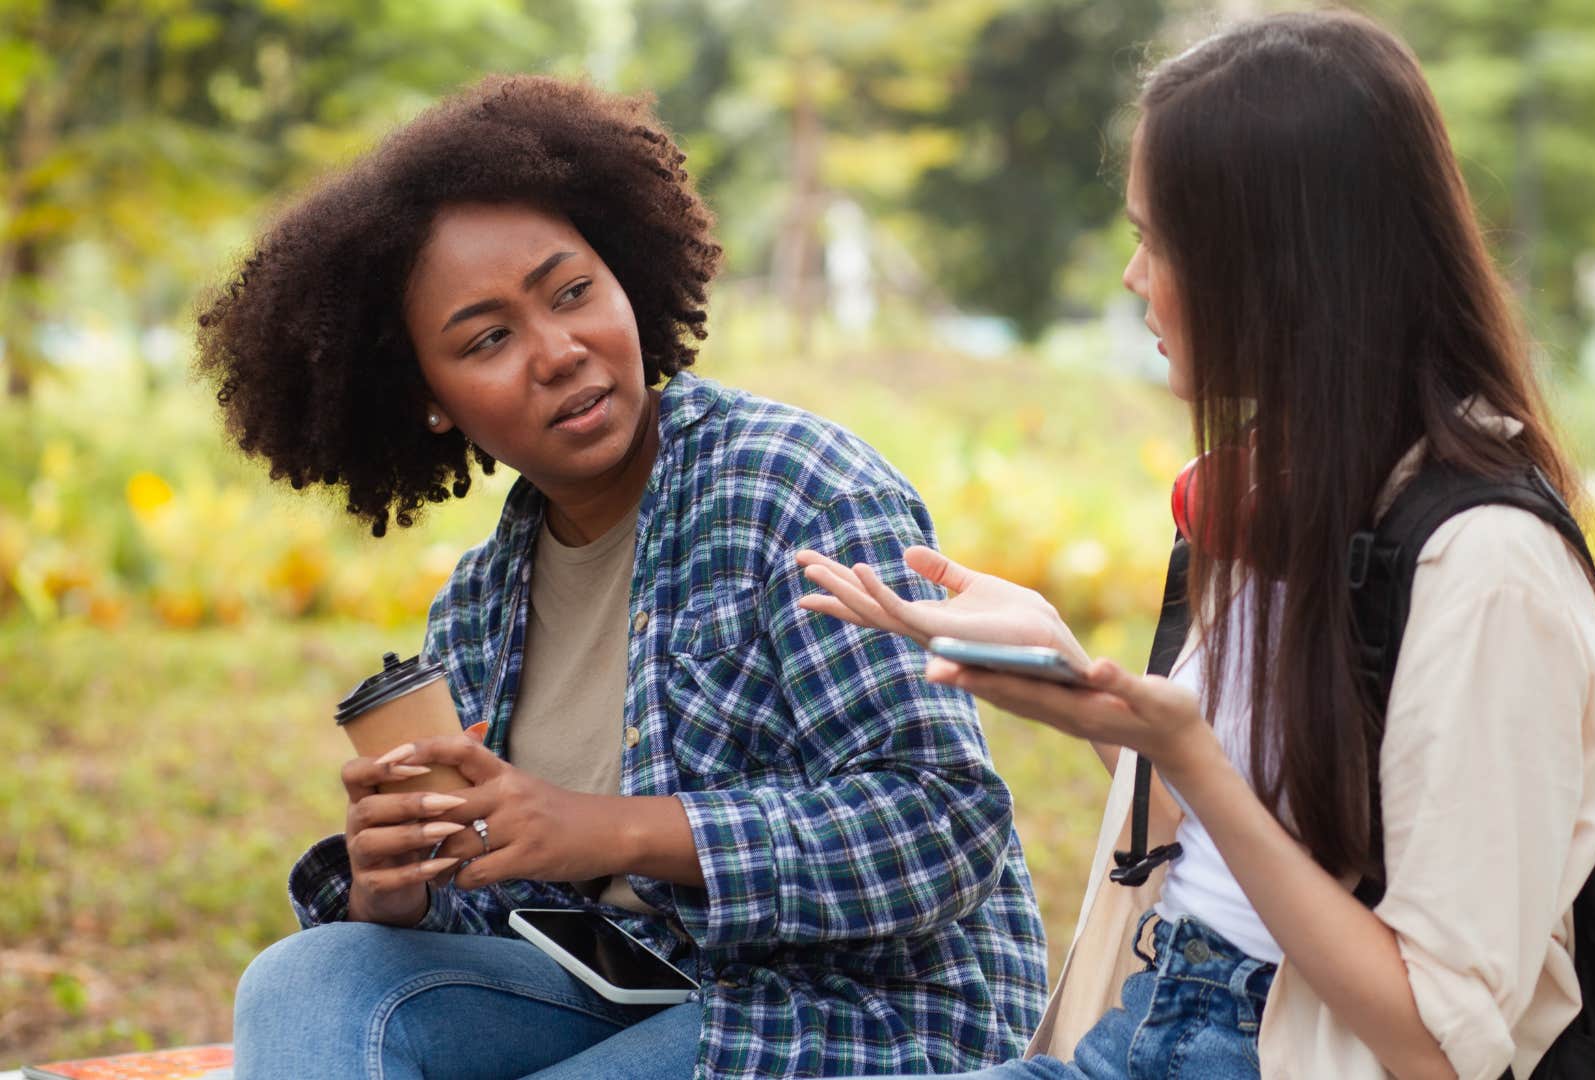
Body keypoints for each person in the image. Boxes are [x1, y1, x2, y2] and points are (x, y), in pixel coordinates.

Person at [796, 11, 1595, 1080]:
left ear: (1278, 269)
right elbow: (1251, 846)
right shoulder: (1291, 497)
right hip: (1153, 1013)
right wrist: (1075, 676)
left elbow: (1437, 1042)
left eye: (1159, 239)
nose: (1136, 277)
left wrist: (1184, 751)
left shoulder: (1488, 571)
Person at [203, 75, 1045, 1080]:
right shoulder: (477, 610)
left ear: (627, 278)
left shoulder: (794, 490)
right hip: (628, 1003)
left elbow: (942, 826)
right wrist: (405, 896)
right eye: (487, 339)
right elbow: (518, 907)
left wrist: (610, 830)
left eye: (572, 293)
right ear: (427, 399)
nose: (558, 352)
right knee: (305, 979)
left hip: (850, 1018)